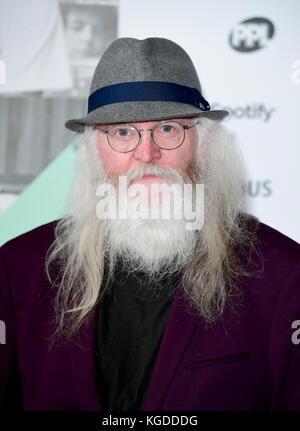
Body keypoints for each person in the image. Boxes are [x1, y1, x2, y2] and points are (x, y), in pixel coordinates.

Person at [0, 37, 300, 411]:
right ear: (94, 151)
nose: (147, 153)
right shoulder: (18, 269)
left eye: (168, 129)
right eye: (122, 132)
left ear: (203, 145)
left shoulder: (282, 273)